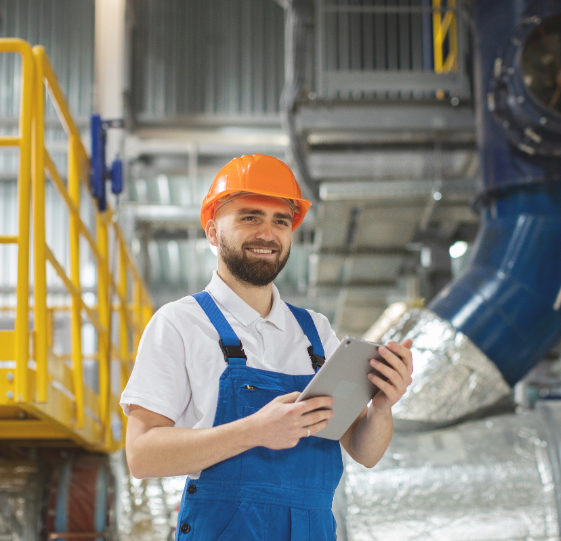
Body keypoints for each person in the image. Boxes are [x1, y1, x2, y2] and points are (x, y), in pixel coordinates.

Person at [121, 154, 413, 541]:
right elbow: (141, 455)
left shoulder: (316, 333)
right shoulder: (179, 324)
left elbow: (365, 451)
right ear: (213, 232)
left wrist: (382, 406)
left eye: (281, 221)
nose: (267, 233)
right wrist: (254, 431)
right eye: (250, 217)